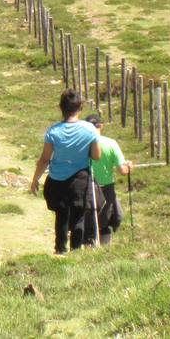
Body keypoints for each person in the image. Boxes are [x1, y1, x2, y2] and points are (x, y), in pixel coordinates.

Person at [29, 89, 102, 255]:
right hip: (80, 178)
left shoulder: (53, 131)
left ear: (61, 108)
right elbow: (96, 156)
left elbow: (44, 159)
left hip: (57, 179)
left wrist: (35, 180)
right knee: (78, 215)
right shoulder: (90, 129)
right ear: (80, 108)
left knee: (61, 215)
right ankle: (76, 250)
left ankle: (60, 249)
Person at [87, 112, 131, 245]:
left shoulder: (82, 145)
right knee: (105, 221)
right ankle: (105, 249)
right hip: (106, 188)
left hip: (88, 187)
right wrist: (129, 167)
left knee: (89, 219)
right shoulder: (111, 143)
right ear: (101, 126)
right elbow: (123, 170)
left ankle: (89, 248)